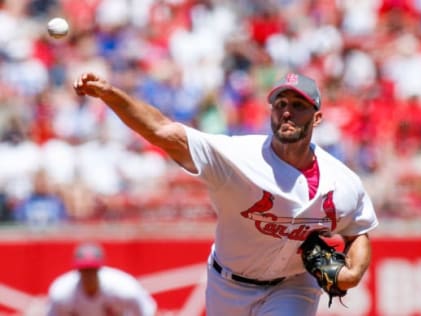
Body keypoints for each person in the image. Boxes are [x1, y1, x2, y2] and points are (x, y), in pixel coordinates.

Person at [73, 71, 379, 315]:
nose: (287, 112)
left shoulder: (342, 181)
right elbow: (162, 131)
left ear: (316, 118)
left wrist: (352, 274)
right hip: (227, 285)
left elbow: (359, 229)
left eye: (298, 106)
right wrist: (110, 95)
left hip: (292, 284)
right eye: (280, 104)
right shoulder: (236, 156)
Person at [46, 242, 157, 316]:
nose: (89, 274)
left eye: (92, 270)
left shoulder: (123, 287)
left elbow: (147, 311)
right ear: (78, 270)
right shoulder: (62, 293)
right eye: (85, 270)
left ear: (100, 269)